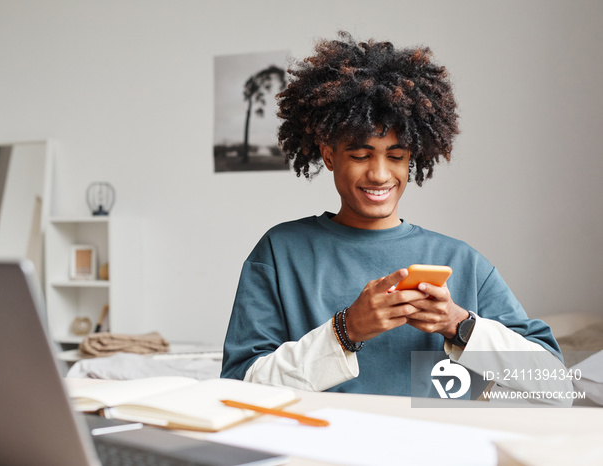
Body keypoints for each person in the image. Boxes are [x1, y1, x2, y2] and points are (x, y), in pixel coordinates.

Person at [221, 32, 572, 401]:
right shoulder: (281, 252)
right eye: (360, 155)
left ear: (412, 159)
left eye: (396, 155)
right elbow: (238, 388)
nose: (379, 174)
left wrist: (458, 324)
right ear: (328, 155)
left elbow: (556, 385)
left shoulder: (461, 262)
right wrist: (345, 330)